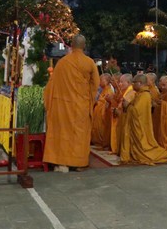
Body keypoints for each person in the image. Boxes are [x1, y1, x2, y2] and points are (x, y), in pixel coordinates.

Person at [43, 35, 100, 173]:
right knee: (79, 135)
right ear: (84, 46)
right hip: (81, 106)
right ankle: (78, 163)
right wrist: (89, 100)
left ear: (71, 46)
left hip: (62, 106)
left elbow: (52, 84)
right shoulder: (89, 62)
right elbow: (95, 85)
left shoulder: (62, 62)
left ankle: (60, 161)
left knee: (62, 133)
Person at [119, 74, 167, 165]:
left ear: (140, 83)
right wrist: (126, 104)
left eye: (134, 83)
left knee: (145, 148)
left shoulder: (145, 95)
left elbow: (136, 112)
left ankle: (160, 155)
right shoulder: (139, 94)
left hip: (140, 126)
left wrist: (128, 106)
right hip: (137, 124)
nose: (132, 85)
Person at [91, 73, 114, 150]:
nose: (99, 82)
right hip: (97, 112)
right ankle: (97, 141)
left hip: (103, 114)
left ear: (107, 81)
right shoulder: (103, 89)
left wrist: (99, 103)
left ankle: (102, 142)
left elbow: (107, 104)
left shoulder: (109, 91)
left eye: (101, 80)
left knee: (102, 128)